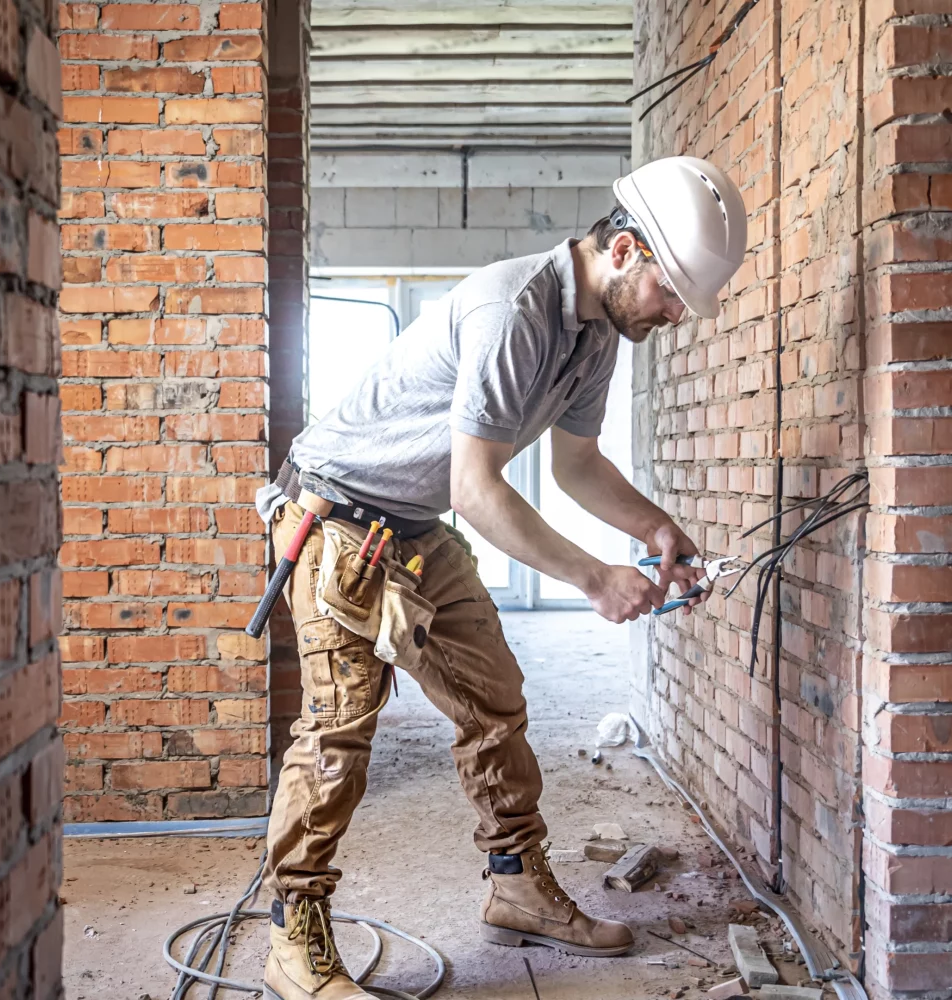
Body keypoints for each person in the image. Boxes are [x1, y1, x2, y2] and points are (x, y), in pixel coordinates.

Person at [255, 155, 748, 1000]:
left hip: (410, 526)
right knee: (339, 732)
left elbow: (578, 466)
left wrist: (653, 527)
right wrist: (595, 578)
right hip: (336, 516)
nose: (674, 314)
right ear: (625, 249)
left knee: (495, 698)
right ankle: (293, 934)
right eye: (672, 292)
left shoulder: (598, 335)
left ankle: (516, 883)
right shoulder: (515, 310)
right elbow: (476, 491)